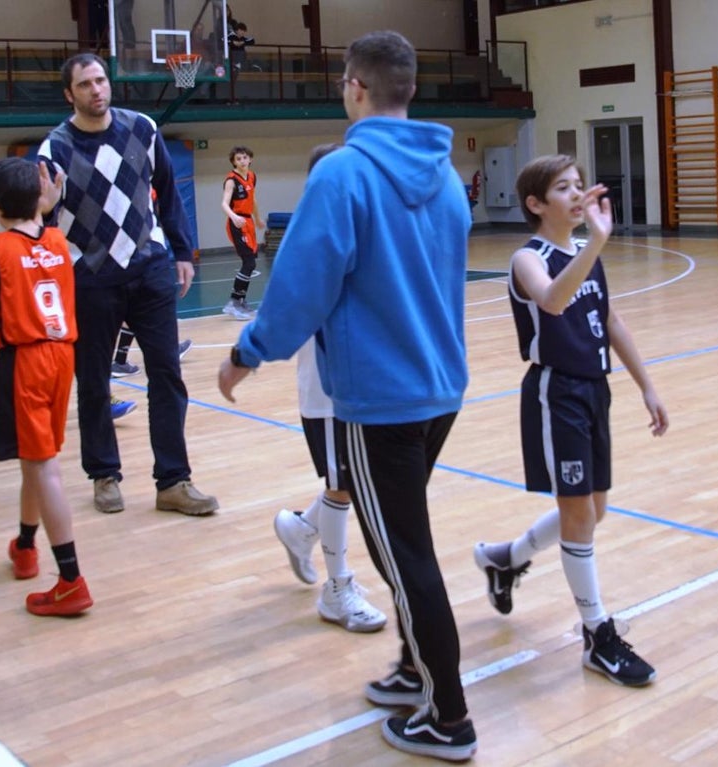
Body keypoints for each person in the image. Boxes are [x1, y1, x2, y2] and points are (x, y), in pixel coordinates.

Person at [217, 31, 476, 761]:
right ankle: (412, 669)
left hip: (379, 402)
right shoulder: (446, 176)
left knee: (404, 557)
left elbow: (300, 289)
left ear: (355, 88)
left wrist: (245, 353)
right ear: (409, 89)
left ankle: (449, 717)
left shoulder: (341, 174)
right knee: (402, 540)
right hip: (440, 389)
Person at [473, 154, 669, 687]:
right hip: (554, 392)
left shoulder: (585, 251)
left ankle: (506, 558)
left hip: (594, 389)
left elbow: (611, 320)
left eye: (580, 185)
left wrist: (647, 386)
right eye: (564, 188)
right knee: (579, 514)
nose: (578, 195)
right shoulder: (527, 258)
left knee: (593, 511)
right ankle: (597, 636)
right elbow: (554, 302)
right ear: (536, 204)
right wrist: (597, 245)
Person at [37, 52, 218, 517]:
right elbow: (40, 223)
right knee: (94, 381)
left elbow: (169, 193)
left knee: (167, 375)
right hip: (89, 279)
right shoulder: (54, 150)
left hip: (149, 267)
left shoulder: (143, 128)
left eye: (100, 80)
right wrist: (46, 213)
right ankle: (104, 475)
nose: (96, 89)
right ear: (69, 94)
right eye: (85, 84)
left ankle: (173, 481)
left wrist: (182, 251)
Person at [0, 156, 92, 616]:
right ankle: (25, 545)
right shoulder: (56, 239)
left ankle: (71, 581)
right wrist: (45, 207)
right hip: (63, 356)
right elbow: (37, 232)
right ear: (38, 199)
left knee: (43, 467)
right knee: (36, 461)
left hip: (26, 360)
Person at [272, 142, 386, 635]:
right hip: (328, 387)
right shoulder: (311, 242)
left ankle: (301, 530)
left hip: (365, 384)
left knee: (354, 480)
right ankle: (337, 588)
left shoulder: (362, 232)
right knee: (344, 486)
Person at [220, 145, 263, 320]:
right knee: (249, 262)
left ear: (250, 159)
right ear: (234, 162)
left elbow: (253, 200)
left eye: (245, 157)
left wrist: (257, 218)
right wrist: (234, 216)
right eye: (238, 159)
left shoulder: (252, 176)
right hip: (237, 223)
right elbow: (224, 204)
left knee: (251, 263)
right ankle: (234, 303)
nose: (242, 161)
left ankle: (241, 301)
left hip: (248, 222)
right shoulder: (231, 180)